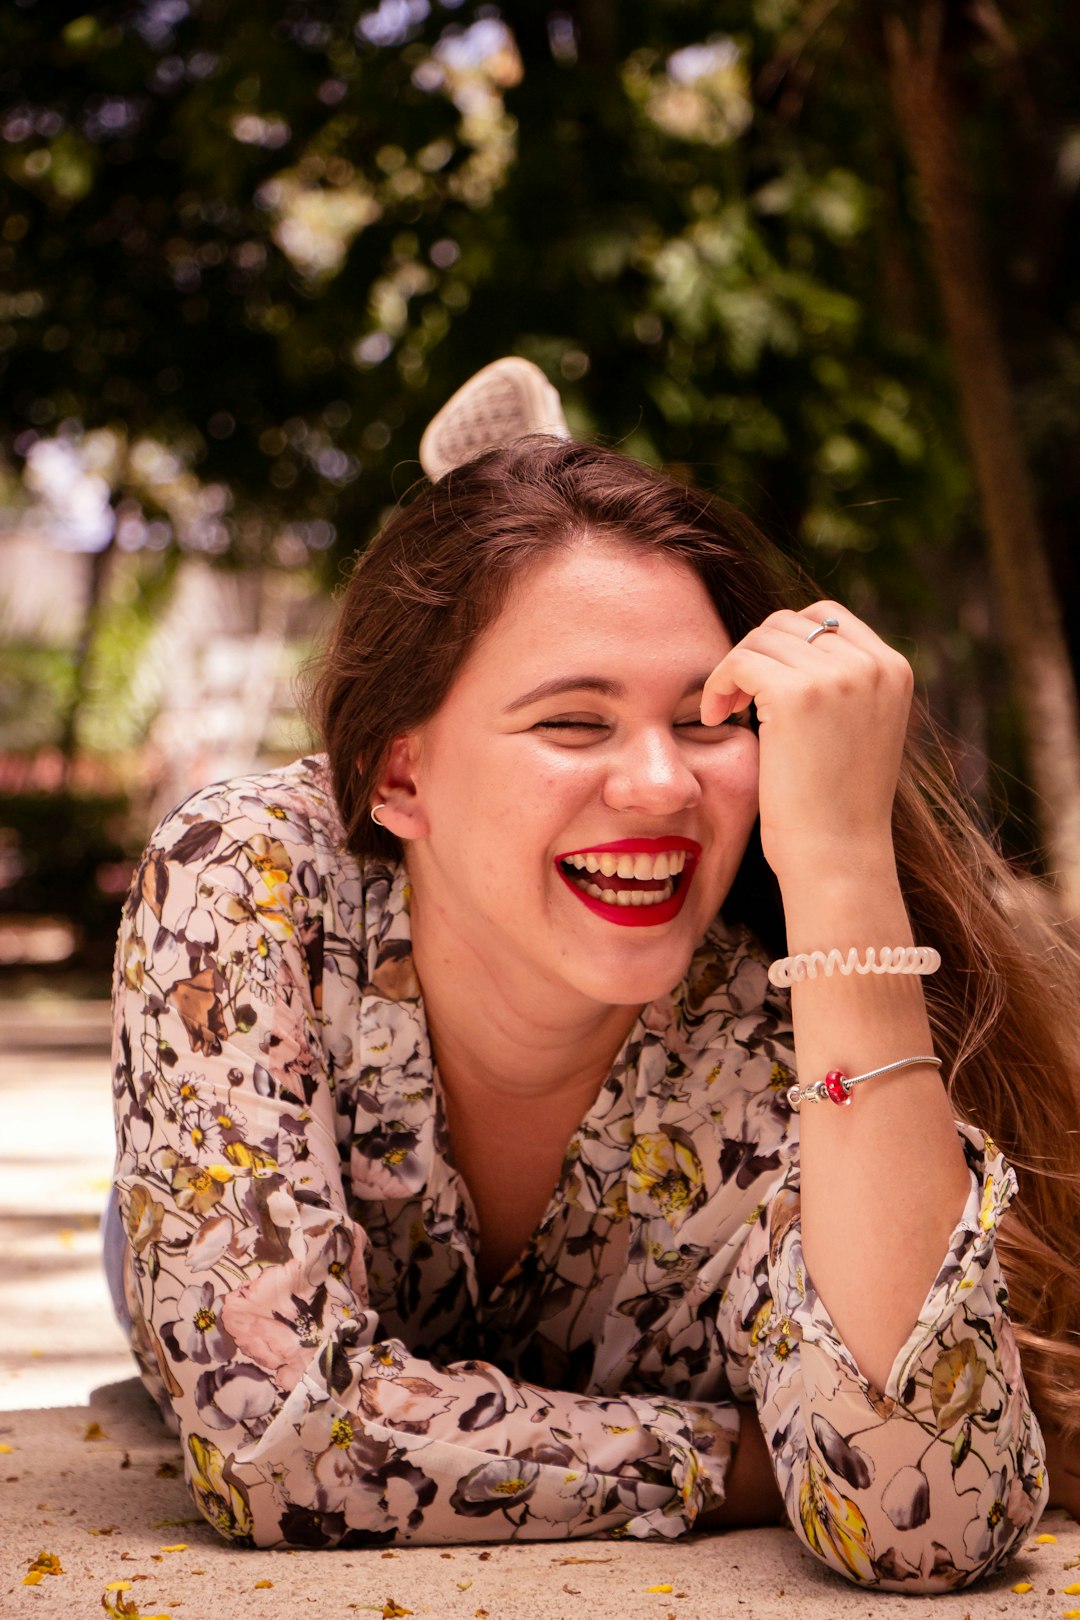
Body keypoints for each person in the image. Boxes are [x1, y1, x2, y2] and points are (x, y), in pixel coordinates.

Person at [106, 361, 1080, 1590]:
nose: (664, 785)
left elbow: (931, 1516)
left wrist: (840, 869)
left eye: (709, 719)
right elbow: (278, 1438)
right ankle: (524, 493)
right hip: (257, 1154)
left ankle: (537, 510)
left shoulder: (785, 1014)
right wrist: (734, 1461)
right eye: (574, 721)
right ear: (398, 773)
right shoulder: (251, 872)